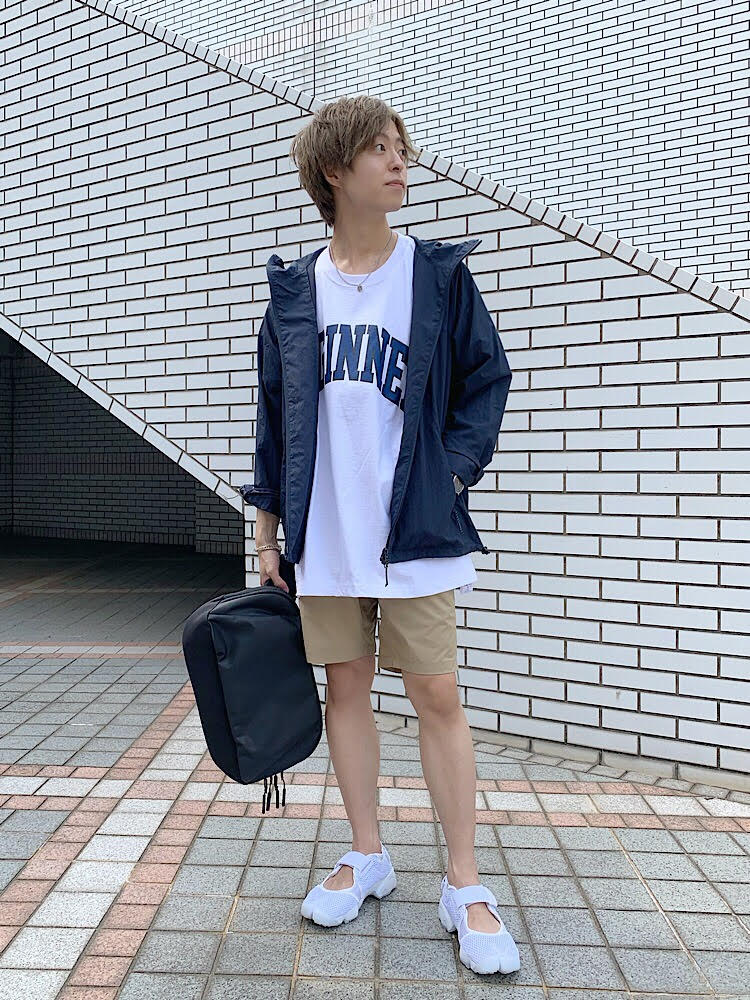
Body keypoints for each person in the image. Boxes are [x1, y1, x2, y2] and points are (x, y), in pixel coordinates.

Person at [244, 95, 520, 976]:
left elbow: (487, 379)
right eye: (380, 150)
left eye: (402, 148)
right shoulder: (297, 293)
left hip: (416, 531)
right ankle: (367, 854)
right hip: (326, 534)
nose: (401, 163)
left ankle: (464, 883)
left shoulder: (435, 275)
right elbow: (272, 421)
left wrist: (454, 471)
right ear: (335, 170)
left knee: (436, 693)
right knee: (346, 690)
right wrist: (266, 533)